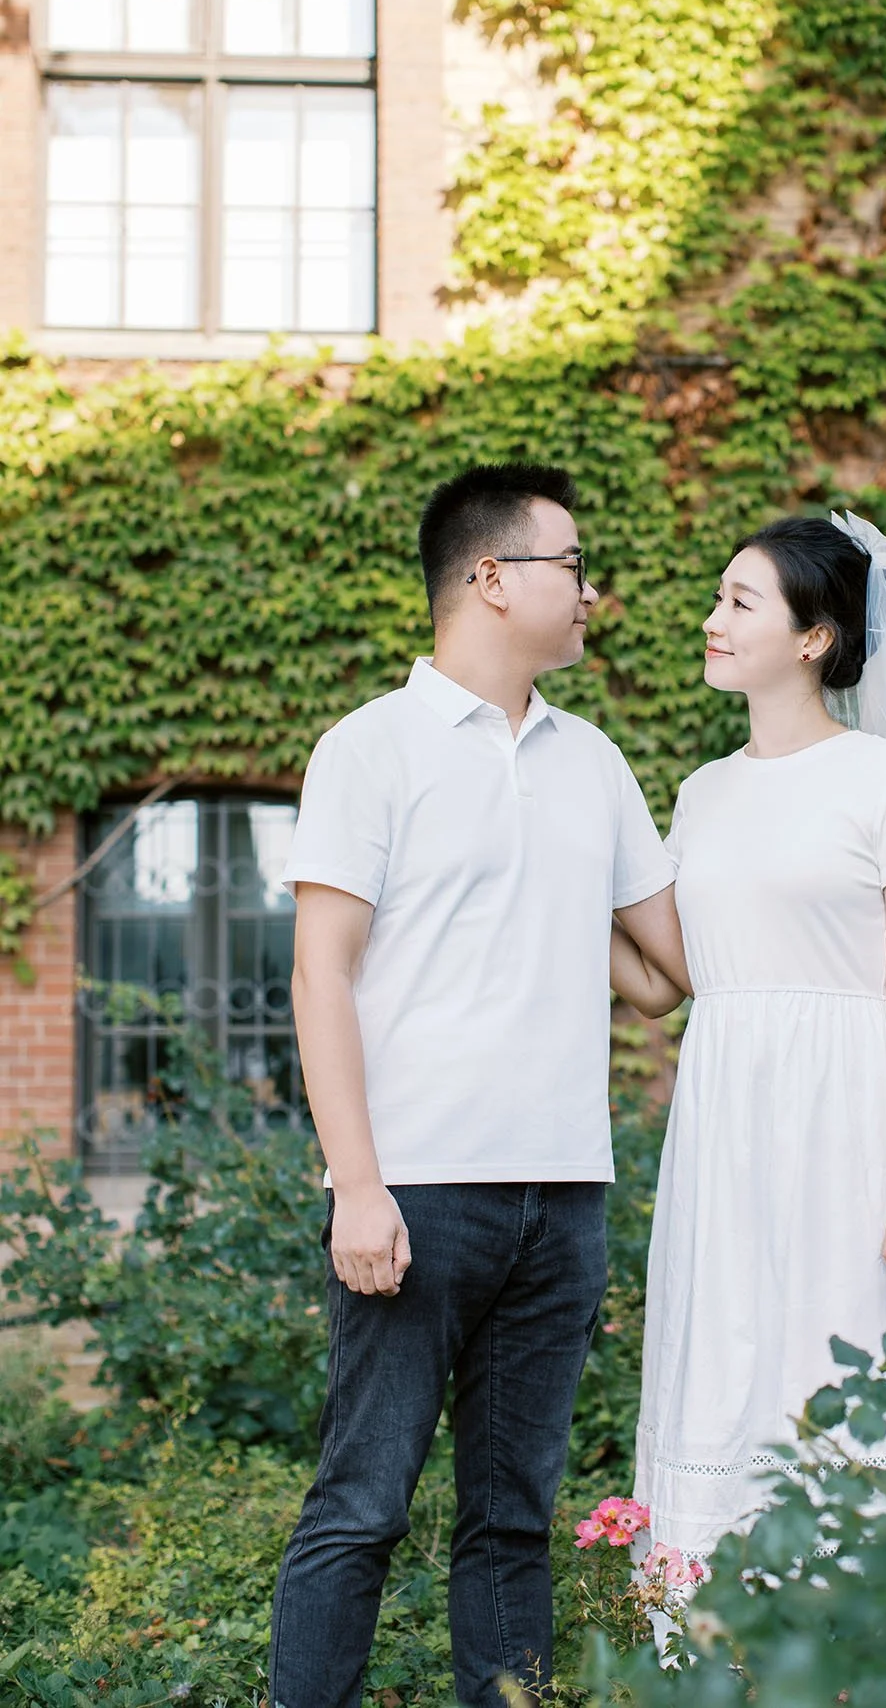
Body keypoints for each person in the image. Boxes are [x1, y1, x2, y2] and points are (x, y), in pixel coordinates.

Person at [268, 463, 685, 1708]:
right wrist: (357, 1185)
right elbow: (318, 973)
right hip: (416, 1190)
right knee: (362, 1502)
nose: (593, 593)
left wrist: (566, 899)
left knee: (512, 1515)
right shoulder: (371, 748)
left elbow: (663, 979)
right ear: (493, 578)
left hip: (564, 1194)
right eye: (573, 566)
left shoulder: (593, 761)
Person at [611, 511, 886, 1577]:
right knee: (729, 1371)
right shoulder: (702, 793)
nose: (711, 620)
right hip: (725, 1137)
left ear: (814, 638)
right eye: (718, 598)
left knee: (867, 1388)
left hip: (852, 1130)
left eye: (738, 602)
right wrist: (552, 901)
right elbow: (668, 985)